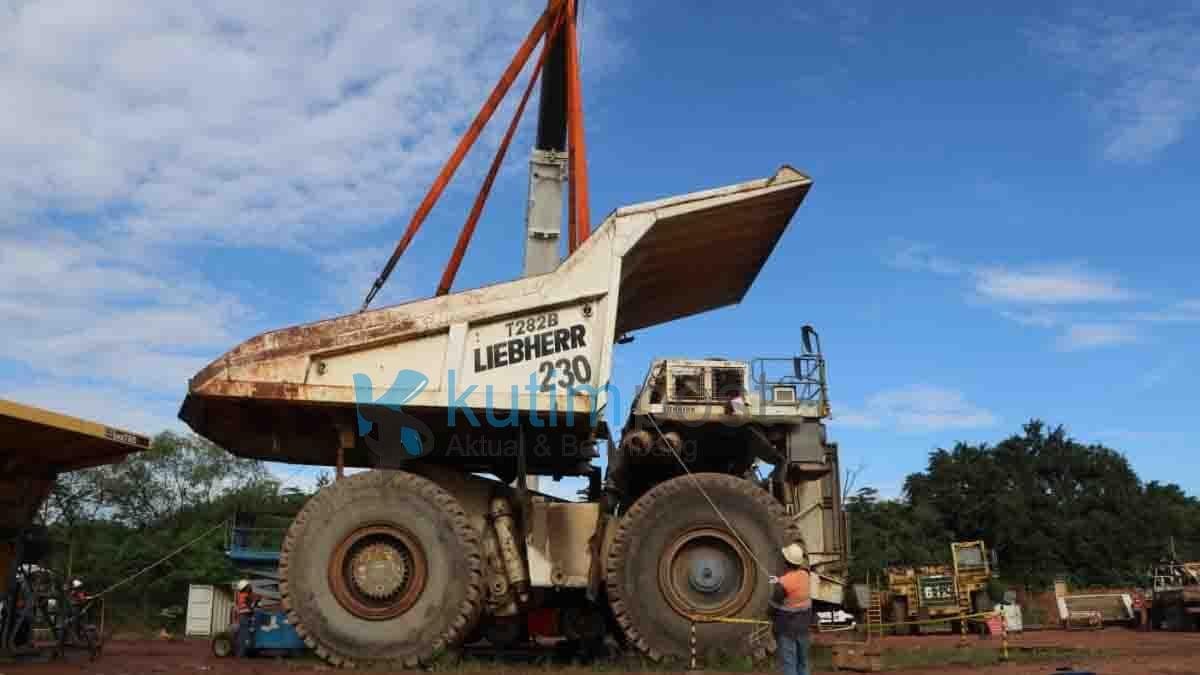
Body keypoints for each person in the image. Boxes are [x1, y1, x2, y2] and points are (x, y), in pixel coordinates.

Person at [769, 542, 812, 675]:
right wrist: (779, 580)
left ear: (786, 562)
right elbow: (794, 583)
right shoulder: (806, 576)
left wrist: (779, 583)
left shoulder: (783, 585)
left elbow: (774, 606)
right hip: (804, 628)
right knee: (803, 664)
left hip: (787, 630)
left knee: (789, 666)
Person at [234, 579, 256, 657]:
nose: (249, 587)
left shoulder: (241, 595)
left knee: (244, 635)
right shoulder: (244, 596)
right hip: (244, 617)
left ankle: (242, 652)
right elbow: (248, 607)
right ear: (244, 587)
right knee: (243, 635)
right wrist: (253, 605)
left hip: (245, 616)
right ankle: (240, 654)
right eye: (248, 586)